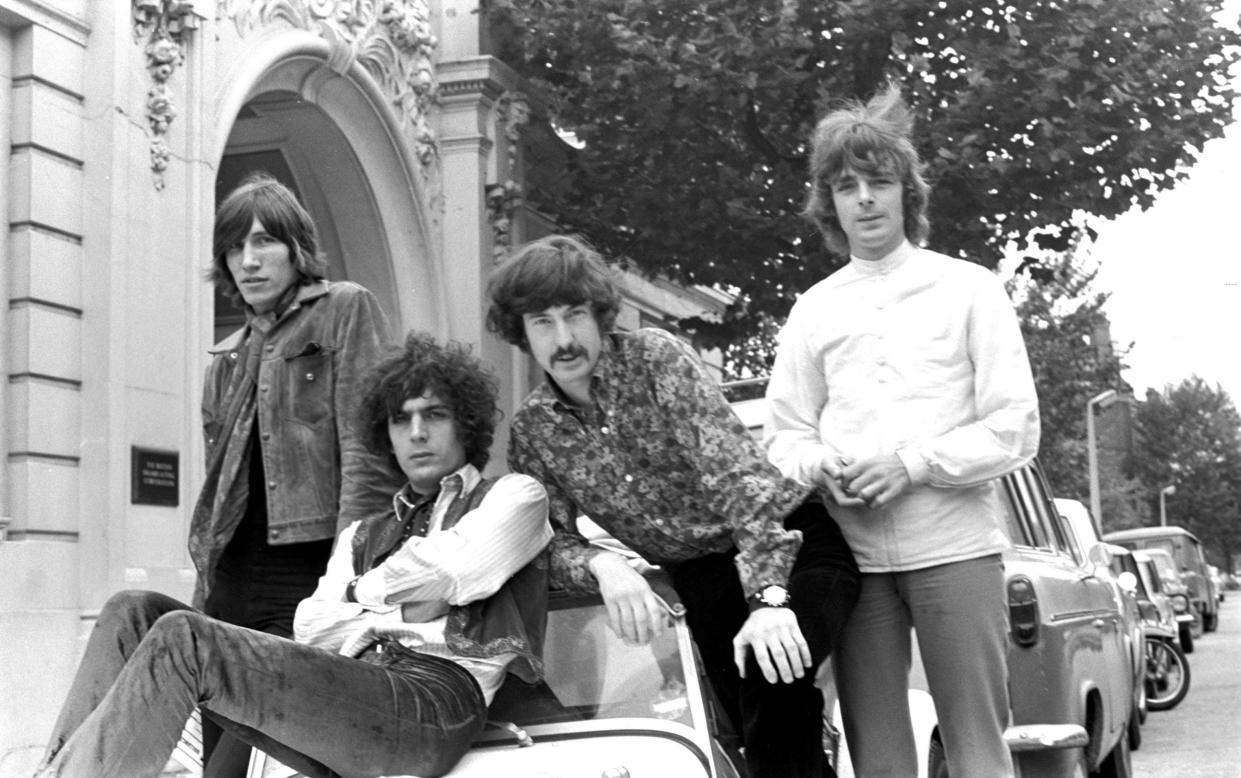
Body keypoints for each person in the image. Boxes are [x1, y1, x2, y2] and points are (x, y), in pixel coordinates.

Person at [36, 332, 552, 778]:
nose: (416, 433)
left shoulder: (515, 496)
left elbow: (455, 569)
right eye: (401, 420)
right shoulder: (361, 535)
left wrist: (361, 595)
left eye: (433, 415)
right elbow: (311, 626)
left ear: (466, 422)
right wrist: (401, 610)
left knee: (185, 639)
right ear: (386, 435)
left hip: (436, 700)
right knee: (132, 612)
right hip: (354, 687)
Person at [486, 235, 860, 778]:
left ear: (601, 314)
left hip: (788, 540)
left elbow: (741, 484)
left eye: (575, 315)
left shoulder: (655, 360)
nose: (563, 338)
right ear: (521, 332)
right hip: (703, 575)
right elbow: (543, 540)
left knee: (771, 675)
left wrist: (770, 601)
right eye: (543, 322)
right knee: (751, 727)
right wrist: (603, 563)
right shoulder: (534, 430)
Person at [764, 83, 1040, 777]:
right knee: (878, 758)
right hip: (854, 562)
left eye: (878, 182)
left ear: (905, 192)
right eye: (846, 185)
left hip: (954, 550)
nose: (863, 198)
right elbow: (783, 435)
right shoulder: (812, 310)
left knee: (977, 746)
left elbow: (1014, 427)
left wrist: (912, 464)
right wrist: (819, 466)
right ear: (827, 202)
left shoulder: (969, 289)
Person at [192, 174, 405, 773]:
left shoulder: (345, 310)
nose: (249, 260)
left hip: (309, 567)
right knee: (222, 736)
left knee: (296, 748)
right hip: (232, 574)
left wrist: (349, 571)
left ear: (297, 248)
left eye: (264, 243)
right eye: (235, 248)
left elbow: (368, 451)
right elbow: (220, 489)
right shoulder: (224, 358)